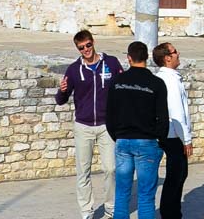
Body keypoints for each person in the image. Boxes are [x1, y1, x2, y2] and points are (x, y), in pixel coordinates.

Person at [54, 28, 124, 219]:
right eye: (81, 47)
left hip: (106, 125)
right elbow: (60, 100)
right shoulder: (74, 69)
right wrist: (62, 91)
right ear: (78, 49)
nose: (86, 49)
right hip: (83, 126)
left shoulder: (111, 63)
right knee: (83, 171)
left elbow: (122, 89)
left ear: (93, 42)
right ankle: (86, 212)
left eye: (88, 45)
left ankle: (111, 209)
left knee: (111, 169)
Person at [106, 41, 169, 219]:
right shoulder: (156, 83)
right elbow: (163, 118)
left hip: (123, 141)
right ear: (147, 57)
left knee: (122, 193)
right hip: (147, 141)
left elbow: (109, 115)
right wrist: (160, 141)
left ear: (129, 58)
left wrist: (117, 136)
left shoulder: (116, 82)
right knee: (146, 196)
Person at [152, 42, 192, 219]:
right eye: (175, 52)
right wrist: (186, 139)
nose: (178, 53)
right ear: (167, 58)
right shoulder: (171, 80)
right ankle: (171, 214)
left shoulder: (164, 77)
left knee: (177, 174)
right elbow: (176, 111)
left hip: (168, 133)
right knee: (177, 175)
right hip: (173, 134)